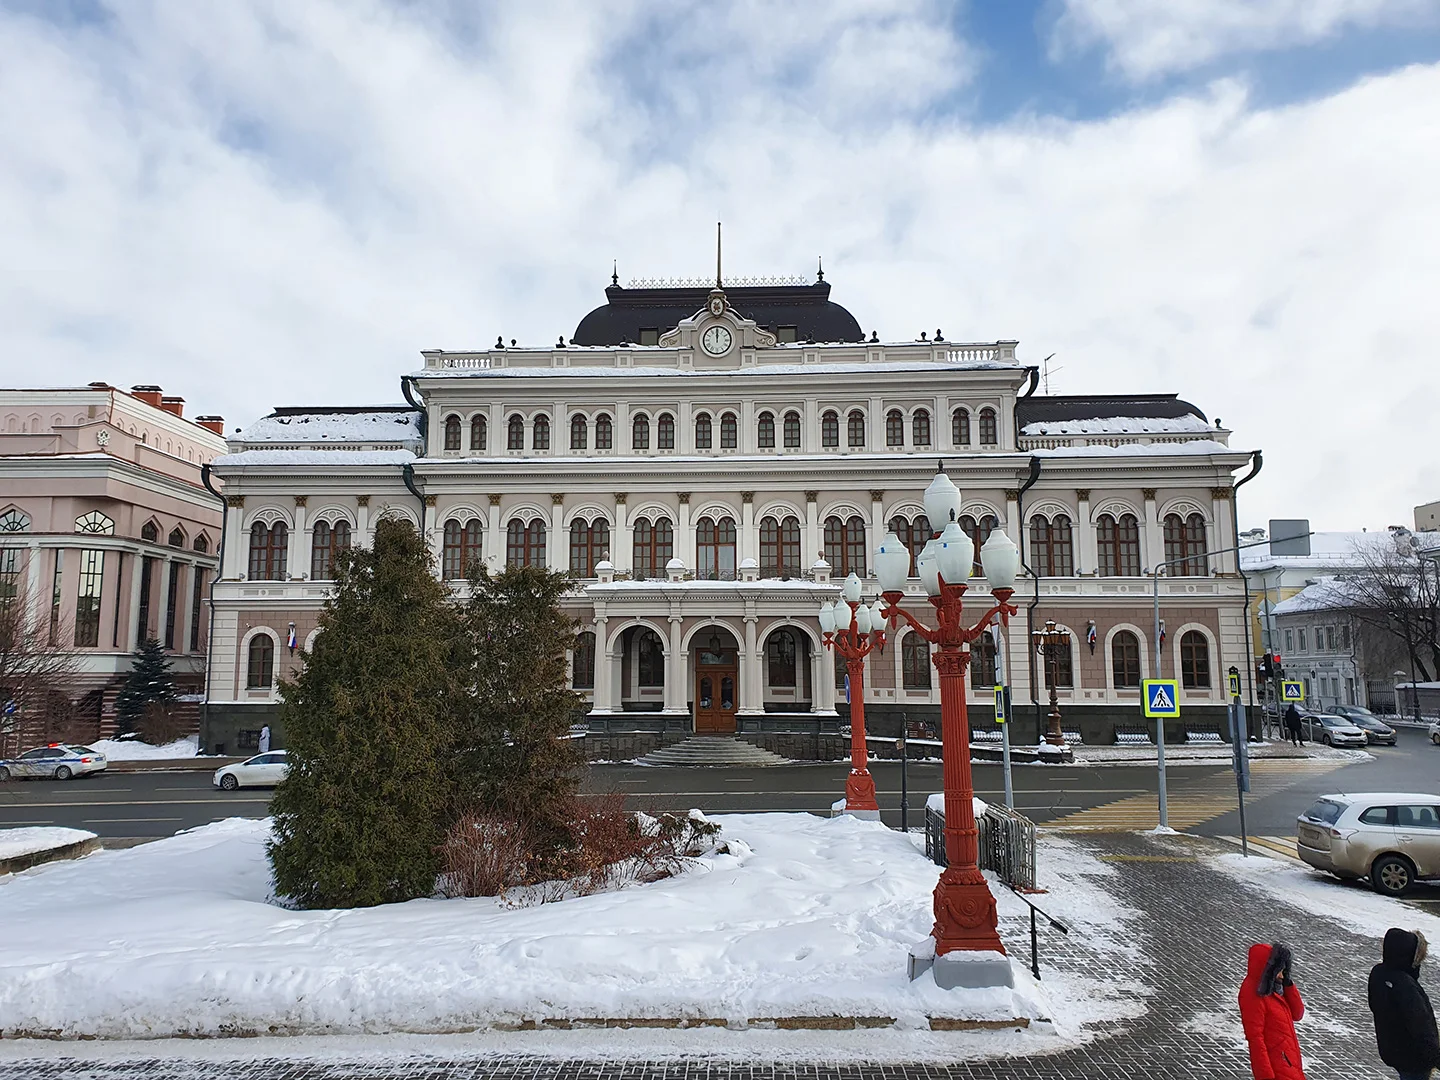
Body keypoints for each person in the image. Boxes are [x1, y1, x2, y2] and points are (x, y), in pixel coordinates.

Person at [1370, 927, 1440, 1080]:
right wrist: (1436, 1057)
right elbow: (1421, 1027)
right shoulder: (1406, 986)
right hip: (1416, 1058)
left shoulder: (1379, 974)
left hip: (1394, 1050)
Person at [1240, 941, 1307, 1080]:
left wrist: (1288, 984)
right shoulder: (1254, 995)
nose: (1282, 976)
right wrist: (1266, 1076)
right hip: (1277, 1067)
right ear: (1268, 969)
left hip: (1289, 1061)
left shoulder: (1275, 989)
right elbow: (1256, 1039)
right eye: (1280, 971)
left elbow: (1298, 1013)